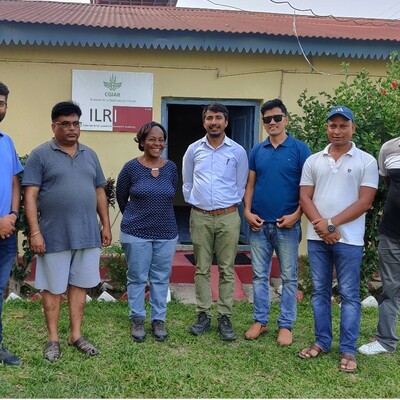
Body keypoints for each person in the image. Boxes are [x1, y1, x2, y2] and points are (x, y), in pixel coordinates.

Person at [22, 101, 112, 362]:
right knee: (52, 288)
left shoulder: (90, 155)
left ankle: (76, 335)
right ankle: (53, 339)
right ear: (54, 126)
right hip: (53, 235)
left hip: (87, 234)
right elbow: (30, 195)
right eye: (65, 124)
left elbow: (99, 192)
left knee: (80, 285)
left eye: (76, 123)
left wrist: (105, 225)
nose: (72, 128)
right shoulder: (40, 155)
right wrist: (35, 232)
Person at [298, 105, 378, 373]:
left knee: (349, 295)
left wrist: (331, 224)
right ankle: (322, 341)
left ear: (353, 128)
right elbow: (305, 197)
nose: (337, 130)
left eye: (343, 125)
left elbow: (365, 201)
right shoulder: (314, 160)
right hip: (318, 238)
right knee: (320, 292)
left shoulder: (366, 160)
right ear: (327, 128)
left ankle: (348, 349)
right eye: (333, 125)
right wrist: (323, 228)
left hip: (350, 239)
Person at [243, 98, 311, 345]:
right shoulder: (257, 150)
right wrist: (247, 211)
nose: (272, 123)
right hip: (258, 225)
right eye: (267, 120)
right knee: (259, 276)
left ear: (286, 119)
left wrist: (297, 215)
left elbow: (308, 188)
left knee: (289, 277)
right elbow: (250, 184)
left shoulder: (300, 149)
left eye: (276, 118)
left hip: (287, 226)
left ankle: (286, 325)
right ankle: (260, 321)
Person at [182, 102, 248, 341]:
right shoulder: (193, 150)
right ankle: (202, 314)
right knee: (201, 268)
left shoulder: (237, 151)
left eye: (218, 117)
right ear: (204, 122)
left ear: (226, 122)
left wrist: (229, 204)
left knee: (227, 268)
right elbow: (187, 181)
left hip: (228, 217)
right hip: (200, 216)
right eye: (210, 118)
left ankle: (225, 317)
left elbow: (241, 184)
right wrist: (195, 201)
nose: (214, 122)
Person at [116, 121, 178, 343]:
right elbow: (121, 196)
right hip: (136, 232)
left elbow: (171, 194)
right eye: (152, 139)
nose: (157, 143)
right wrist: (135, 217)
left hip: (166, 231)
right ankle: (138, 318)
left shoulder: (170, 167)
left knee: (161, 278)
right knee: (137, 277)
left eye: (161, 139)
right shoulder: (131, 168)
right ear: (142, 141)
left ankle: (158, 320)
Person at [358, 136, 400, 356]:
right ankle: (385, 340)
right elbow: (388, 184)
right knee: (391, 288)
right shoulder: (389, 148)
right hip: (392, 232)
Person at [0, 82, 23, 366]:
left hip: (7, 232)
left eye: (2, 102)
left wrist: (13, 215)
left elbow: (16, 180)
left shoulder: (6, 141)